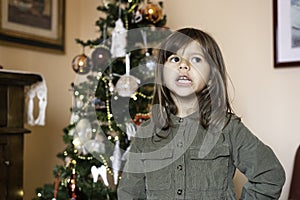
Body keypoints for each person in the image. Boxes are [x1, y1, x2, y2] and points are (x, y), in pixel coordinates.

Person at [117, 28, 286, 200]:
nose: (184, 65)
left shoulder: (228, 128)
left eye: (196, 59)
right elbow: (129, 193)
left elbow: (270, 175)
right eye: (175, 59)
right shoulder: (146, 134)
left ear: (212, 76)